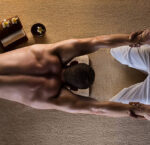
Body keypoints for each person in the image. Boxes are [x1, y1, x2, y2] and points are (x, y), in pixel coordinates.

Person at [0, 29, 150, 120]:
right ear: (75, 89)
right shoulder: (53, 97)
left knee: (116, 49)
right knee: (122, 104)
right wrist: (137, 110)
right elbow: (96, 109)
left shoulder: (49, 53)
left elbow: (97, 41)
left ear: (74, 63)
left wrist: (136, 39)